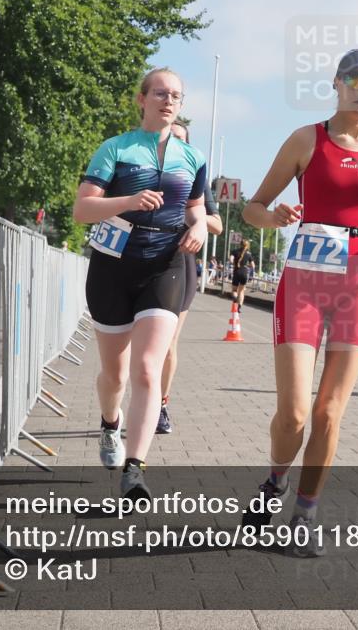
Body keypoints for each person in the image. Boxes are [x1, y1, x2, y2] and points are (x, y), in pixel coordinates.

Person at [241, 48, 358, 556]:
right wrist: (274, 217)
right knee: (294, 415)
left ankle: (304, 515)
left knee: (328, 413)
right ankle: (275, 481)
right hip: (304, 284)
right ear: (337, 82)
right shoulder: (307, 139)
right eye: (356, 80)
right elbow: (251, 208)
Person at [72, 67, 207, 498]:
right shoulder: (116, 148)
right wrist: (129, 200)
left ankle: (135, 468)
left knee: (148, 366)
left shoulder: (193, 157)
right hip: (113, 266)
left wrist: (200, 226)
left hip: (165, 265)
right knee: (115, 375)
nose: (169, 101)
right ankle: (109, 423)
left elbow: (196, 207)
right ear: (142, 99)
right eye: (161, 93)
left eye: (176, 96)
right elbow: (82, 209)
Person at [157, 122, 223, 435]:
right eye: (170, 137)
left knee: (168, 342)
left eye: (181, 140)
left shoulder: (195, 178)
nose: (174, 143)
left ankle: (160, 406)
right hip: (141, 259)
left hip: (180, 263)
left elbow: (217, 225)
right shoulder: (141, 168)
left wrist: (191, 214)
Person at [230, 239, 254, 309]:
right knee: (241, 291)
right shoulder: (249, 254)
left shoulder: (234, 251)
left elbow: (231, 260)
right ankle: (239, 306)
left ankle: (235, 298)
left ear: (240, 244)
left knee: (234, 290)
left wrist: (235, 263)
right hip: (244, 272)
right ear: (247, 245)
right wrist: (246, 266)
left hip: (237, 271)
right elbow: (253, 265)